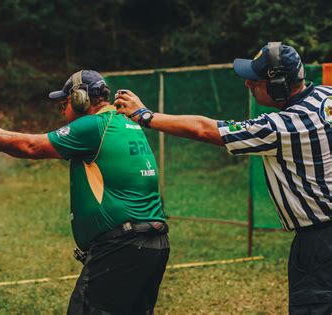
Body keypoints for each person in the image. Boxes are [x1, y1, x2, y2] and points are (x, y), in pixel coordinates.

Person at [115, 42, 332, 314]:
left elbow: (205, 130)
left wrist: (145, 115)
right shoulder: (327, 96)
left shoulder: (281, 127)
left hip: (320, 243)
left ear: (278, 84)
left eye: (255, 80)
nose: (248, 85)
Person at [0, 70, 170, 314]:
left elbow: (33, 146)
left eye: (65, 102)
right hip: (152, 243)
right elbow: (39, 139)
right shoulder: (125, 122)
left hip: (122, 247)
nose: (62, 108)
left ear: (80, 99)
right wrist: (1, 133)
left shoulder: (92, 126)